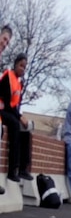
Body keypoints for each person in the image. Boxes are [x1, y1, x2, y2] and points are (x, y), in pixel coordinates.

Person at [1, 52, 30, 183]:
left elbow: (15, 105)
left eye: (25, 67)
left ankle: (23, 168)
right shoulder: (8, 76)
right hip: (2, 109)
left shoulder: (19, 83)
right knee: (14, 124)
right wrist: (19, 117)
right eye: (21, 65)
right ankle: (12, 170)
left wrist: (21, 117)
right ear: (15, 64)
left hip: (11, 112)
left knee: (26, 129)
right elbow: (7, 103)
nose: (22, 69)